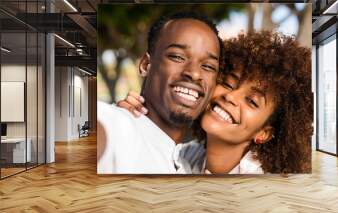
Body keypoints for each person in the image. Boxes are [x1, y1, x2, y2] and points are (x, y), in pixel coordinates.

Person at [118, 30, 313, 174]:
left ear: (263, 133)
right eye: (228, 84)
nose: (230, 96)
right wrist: (133, 121)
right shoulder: (188, 155)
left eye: (252, 102)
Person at [97, 12, 223, 174]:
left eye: (208, 66)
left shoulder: (190, 162)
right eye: (177, 57)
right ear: (145, 65)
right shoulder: (117, 125)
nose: (194, 73)